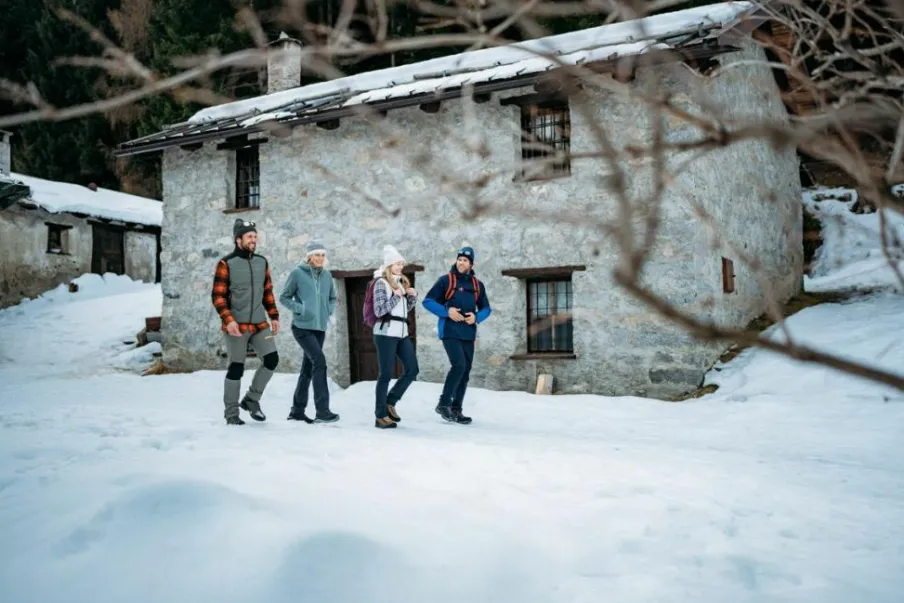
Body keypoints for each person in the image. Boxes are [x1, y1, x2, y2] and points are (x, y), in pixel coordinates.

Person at [211, 218, 280, 425]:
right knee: (236, 368)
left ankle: (251, 400)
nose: (253, 239)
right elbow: (218, 296)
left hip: (259, 324)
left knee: (272, 360)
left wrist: (274, 316)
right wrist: (228, 320)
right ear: (238, 239)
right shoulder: (226, 264)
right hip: (236, 327)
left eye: (255, 236)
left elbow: (267, 291)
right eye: (249, 236)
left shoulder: (262, 262)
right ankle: (231, 414)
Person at [422, 244, 491, 424]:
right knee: (458, 365)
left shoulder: (477, 285)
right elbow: (427, 301)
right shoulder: (446, 280)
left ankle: (456, 409)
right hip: (450, 331)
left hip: (468, 332)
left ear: (471, 264)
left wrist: (476, 317)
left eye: (465, 260)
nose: (461, 263)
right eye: (459, 259)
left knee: (465, 371)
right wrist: (447, 312)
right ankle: (443, 404)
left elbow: (487, 308)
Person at [279, 240, 340, 424]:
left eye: (322, 255)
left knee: (308, 369)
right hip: (302, 327)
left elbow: (332, 298)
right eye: (317, 255)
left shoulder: (327, 276)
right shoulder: (298, 273)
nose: (320, 258)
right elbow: (284, 297)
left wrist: (328, 310)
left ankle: (297, 411)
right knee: (319, 362)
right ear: (309, 257)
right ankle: (322, 411)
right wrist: (301, 309)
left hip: (319, 328)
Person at [370, 245, 419, 429]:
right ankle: (380, 415)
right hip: (385, 333)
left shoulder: (400, 283)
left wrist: (411, 297)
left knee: (412, 369)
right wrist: (397, 296)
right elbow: (380, 310)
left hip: (401, 333)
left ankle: (390, 402)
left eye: (401, 264)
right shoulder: (380, 283)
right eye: (397, 264)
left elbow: (405, 310)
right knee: (385, 374)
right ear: (389, 265)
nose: (400, 267)